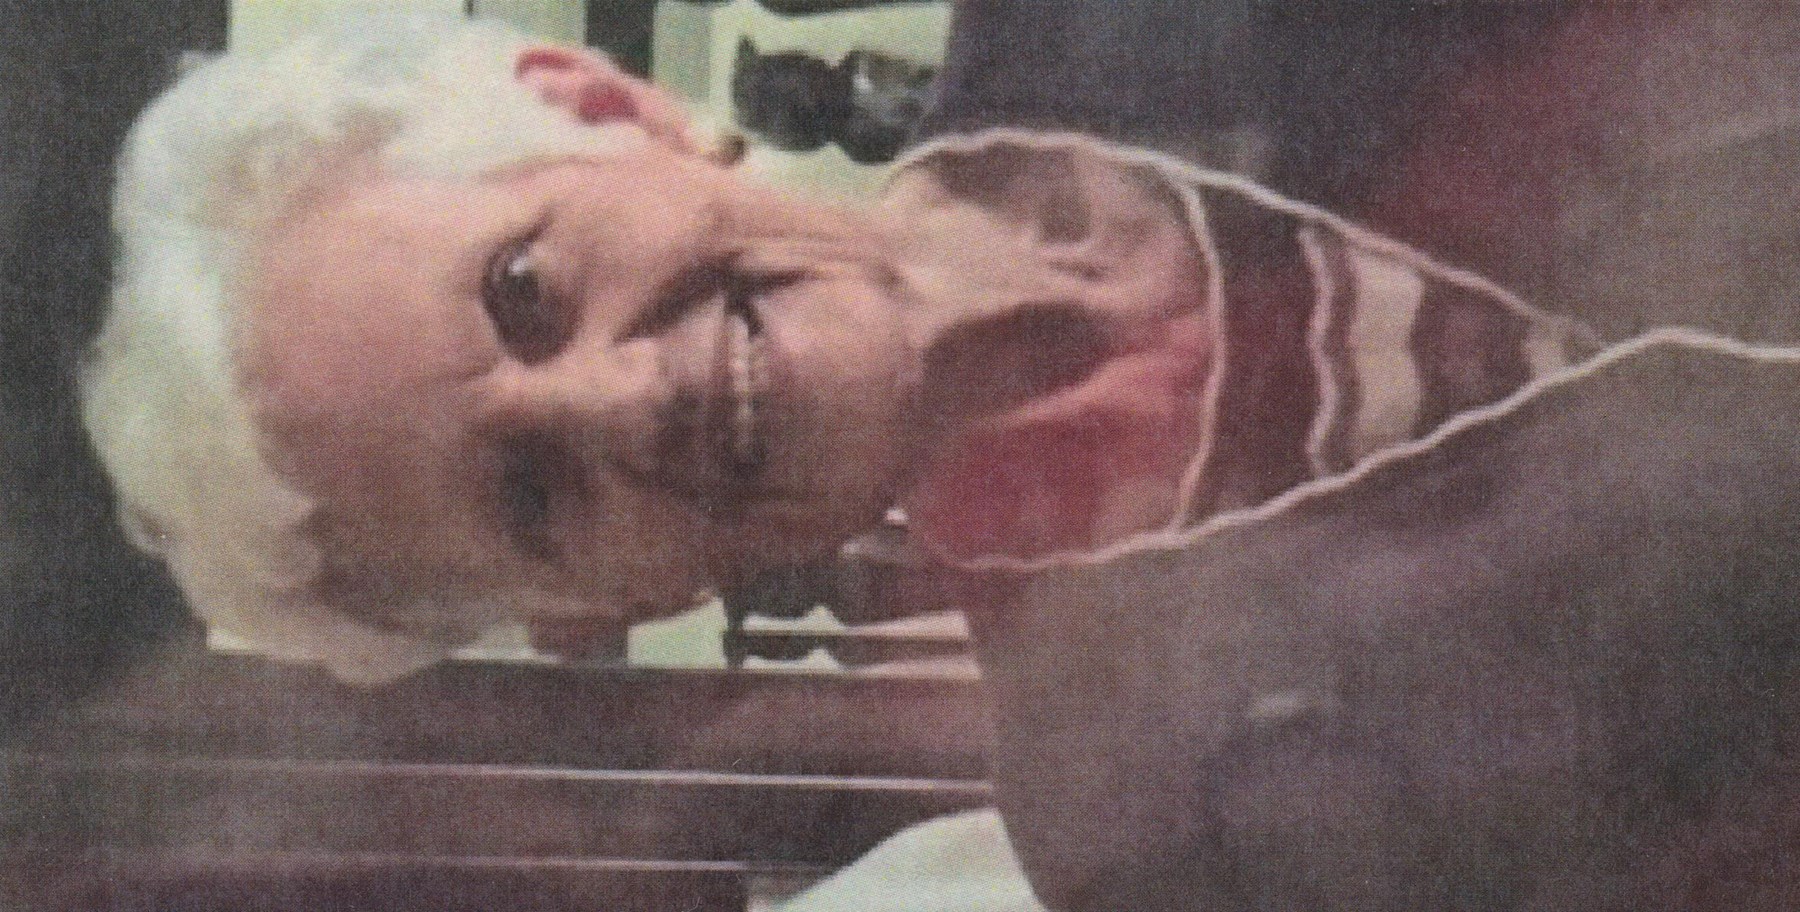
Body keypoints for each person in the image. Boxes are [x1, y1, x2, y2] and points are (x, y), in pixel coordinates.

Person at [79, 8, 1800, 909]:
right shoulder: (1153, 828)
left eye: (524, 289)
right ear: (600, 608)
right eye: (530, 496)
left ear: (607, 109)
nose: (617, 400)